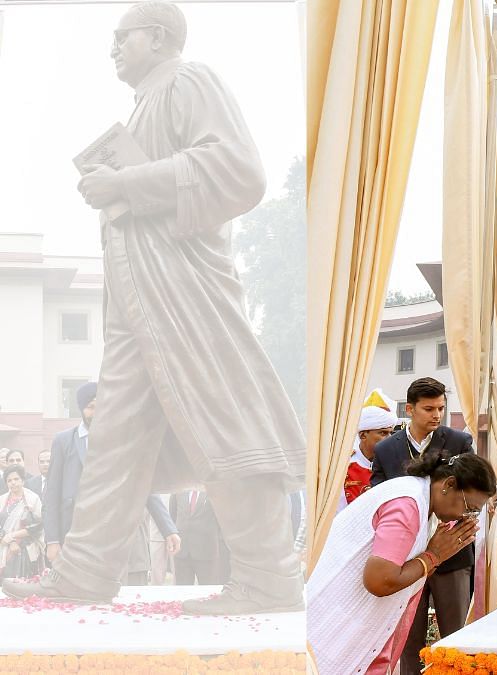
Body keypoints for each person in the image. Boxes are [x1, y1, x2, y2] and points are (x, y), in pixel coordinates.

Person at [4, 3, 304, 614]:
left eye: (124, 37)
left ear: (159, 37)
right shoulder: (146, 103)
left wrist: (125, 186)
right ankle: (85, 572)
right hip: (139, 302)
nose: (113, 48)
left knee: (225, 418)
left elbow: (240, 171)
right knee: (113, 436)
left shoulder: (188, 80)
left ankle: (270, 576)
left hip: (187, 293)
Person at [307, 451, 496, 675]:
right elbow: (379, 580)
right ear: (449, 484)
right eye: (470, 507)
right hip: (339, 619)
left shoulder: (420, 498)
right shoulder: (408, 505)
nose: (467, 516)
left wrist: (435, 555)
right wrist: (433, 556)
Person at [369, 377, 475, 674]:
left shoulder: (459, 442)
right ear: (410, 409)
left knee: (455, 637)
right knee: (408, 640)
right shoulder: (386, 449)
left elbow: (471, 491)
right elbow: (377, 497)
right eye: (429, 408)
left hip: (452, 552)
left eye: (441, 408)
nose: (437, 415)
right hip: (404, 558)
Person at [39, 382, 181, 578]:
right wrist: (53, 540)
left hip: (116, 533)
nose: (97, 413)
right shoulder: (64, 441)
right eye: (91, 407)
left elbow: (144, 485)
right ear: (81, 410)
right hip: (75, 535)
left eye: (101, 406)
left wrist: (168, 529)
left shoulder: (125, 439)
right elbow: (52, 494)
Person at [343, 402, 398, 509]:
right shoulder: (343, 466)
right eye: (383, 433)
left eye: (391, 433)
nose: (390, 438)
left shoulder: (395, 463)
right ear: (363, 435)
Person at [1, 466, 44, 578]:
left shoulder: (32, 499)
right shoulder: (2, 500)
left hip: (25, 549)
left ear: (23, 480)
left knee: (23, 585)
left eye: (16, 479)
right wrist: (10, 541)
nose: (13, 483)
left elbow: (38, 525)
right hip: (4, 547)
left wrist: (12, 536)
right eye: (9, 480)